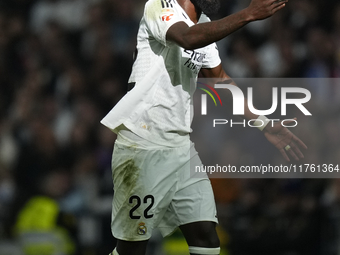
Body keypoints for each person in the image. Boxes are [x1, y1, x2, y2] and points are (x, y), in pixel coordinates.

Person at [101, 0, 307, 254]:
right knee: (132, 249)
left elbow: (219, 79)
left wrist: (263, 123)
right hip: (143, 144)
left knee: (206, 238)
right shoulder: (159, 5)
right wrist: (248, 14)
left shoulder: (205, 26)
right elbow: (187, 38)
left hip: (181, 148)